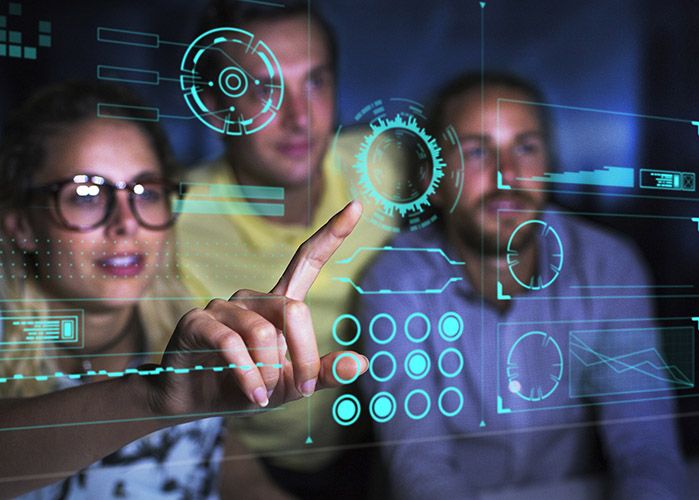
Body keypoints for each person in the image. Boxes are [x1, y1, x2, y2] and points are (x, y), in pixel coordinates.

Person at [0, 81, 367, 498]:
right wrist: (153, 398)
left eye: (146, 191)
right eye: (85, 194)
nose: (126, 222)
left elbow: (235, 474)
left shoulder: (185, 327)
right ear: (23, 226)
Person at [358, 72, 686, 498]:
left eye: (526, 147)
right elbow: (419, 463)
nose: (507, 175)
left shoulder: (608, 265)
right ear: (431, 184)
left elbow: (646, 444)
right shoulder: (394, 280)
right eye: (477, 151)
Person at [176, 1, 390, 497]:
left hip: (385, 445)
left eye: (315, 82)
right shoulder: (162, 221)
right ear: (213, 105)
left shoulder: (387, 164)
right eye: (263, 89)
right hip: (255, 469)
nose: (300, 118)